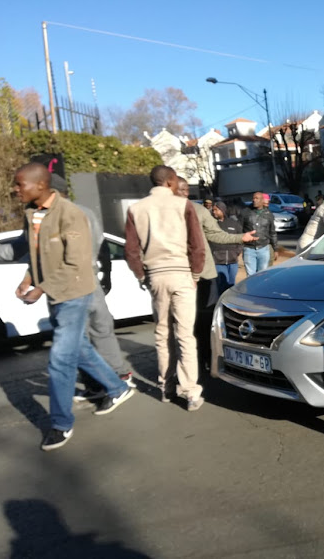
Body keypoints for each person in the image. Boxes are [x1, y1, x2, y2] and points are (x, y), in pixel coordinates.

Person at [13, 163, 134, 451]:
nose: (15, 190)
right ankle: (117, 388)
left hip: (75, 293)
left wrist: (40, 288)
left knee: (60, 360)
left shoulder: (71, 214)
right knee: (80, 350)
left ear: (41, 185)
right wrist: (28, 279)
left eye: (20, 185)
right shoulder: (33, 214)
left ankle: (60, 424)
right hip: (55, 294)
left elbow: (76, 263)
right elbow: (39, 256)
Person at [47, 175, 136, 402]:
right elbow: (99, 244)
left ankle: (108, 383)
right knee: (97, 333)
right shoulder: (85, 212)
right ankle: (110, 380)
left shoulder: (63, 214)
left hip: (76, 283)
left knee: (86, 336)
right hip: (88, 279)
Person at [125, 166, 206, 411]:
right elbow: (197, 245)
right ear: (171, 182)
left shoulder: (135, 209)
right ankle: (191, 391)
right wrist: (195, 274)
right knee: (185, 334)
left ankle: (166, 387)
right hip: (181, 273)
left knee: (162, 333)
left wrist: (142, 276)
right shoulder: (183, 205)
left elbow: (131, 250)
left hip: (155, 275)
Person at [174, 177, 255, 374]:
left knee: (204, 319)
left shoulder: (198, 211)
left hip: (203, 274)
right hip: (178, 274)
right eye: (180, 189)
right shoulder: (160, 211)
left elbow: (216, 234)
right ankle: (184, 364)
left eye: (186, 189)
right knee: (182, 323)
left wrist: (239, 238)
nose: (184, 193)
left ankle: (206, 358)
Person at [210, 201, 243, 294]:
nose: (214, 212)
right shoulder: (211, 224)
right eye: (213, 210)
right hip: (218, 261)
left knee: (231, 284)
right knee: (221, 284)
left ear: (223, 210)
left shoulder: (233, 223)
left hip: (233, 261)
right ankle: (221, 305)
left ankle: (229, 305)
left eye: (216, 210)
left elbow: (240, 238)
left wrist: (237, 251)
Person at [241, 191, 277, 276]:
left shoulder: (268, 214)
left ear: (262, 200)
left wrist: (275, 249)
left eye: (257, 198)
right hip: (249, 249)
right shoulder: (246, 212)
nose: (254, 200)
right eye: (253, 198)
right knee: (250, 275)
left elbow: (272, 232)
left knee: (262, 275)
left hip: (263, 248)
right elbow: (240, 229)